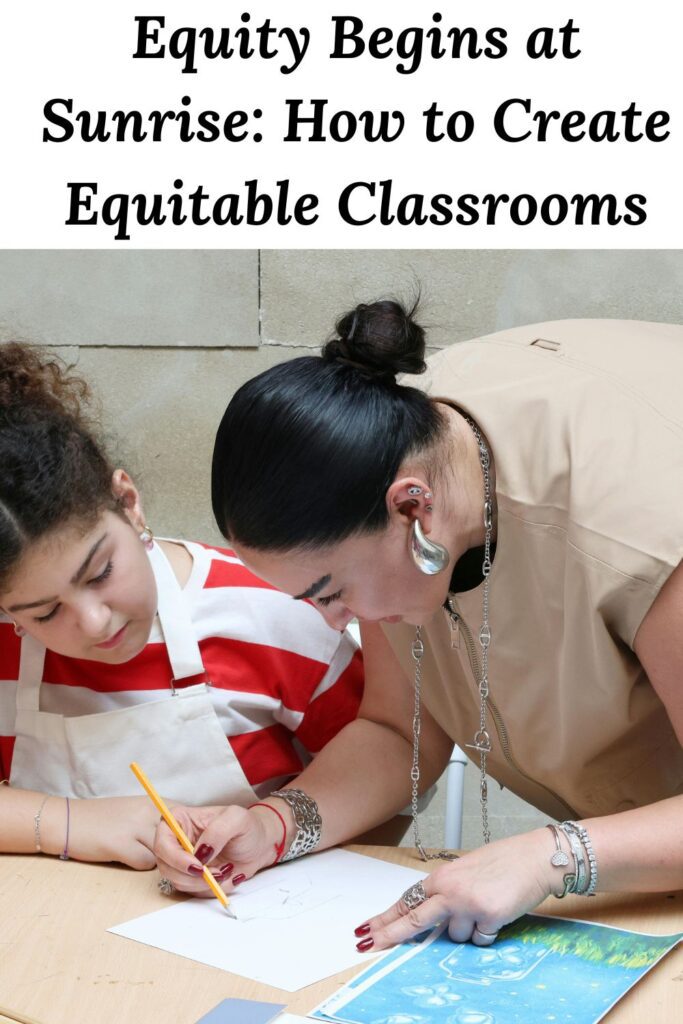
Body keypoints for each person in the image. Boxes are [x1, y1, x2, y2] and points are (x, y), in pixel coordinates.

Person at [154, 300, 682, 951]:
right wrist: (274, 823)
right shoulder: (384, 453)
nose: (334, 620)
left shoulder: (644, 535)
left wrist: (550, 855)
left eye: (331, 591)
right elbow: (395, 730)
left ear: (412, 507)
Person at [0, 342, 363, 871]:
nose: (95, 622)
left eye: (100, 573)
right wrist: (68, 824)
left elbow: (388, 777)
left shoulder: (277, 613)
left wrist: (274, 830)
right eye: (42, 613)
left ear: (128, 502)